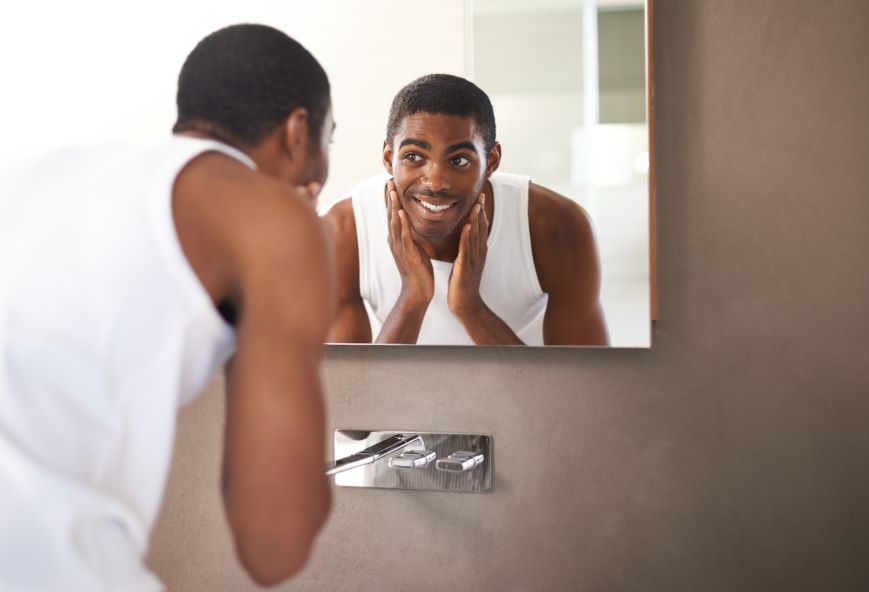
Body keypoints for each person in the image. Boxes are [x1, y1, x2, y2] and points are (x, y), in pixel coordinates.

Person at [0, 24, 335, 590]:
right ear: (297, 132)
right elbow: (274, 545)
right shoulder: (271, 219)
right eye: (330, 139)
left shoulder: (38, 177)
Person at [326, 74, 609, 346]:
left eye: (459, 160)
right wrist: (413, 297)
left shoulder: (557, 227)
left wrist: (470, 308)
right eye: (413, 156)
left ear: (492, 161)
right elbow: (351, 393)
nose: (435, 182)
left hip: (522, 397)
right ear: (389, 158)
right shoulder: (343, 232)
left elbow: (582, 390)